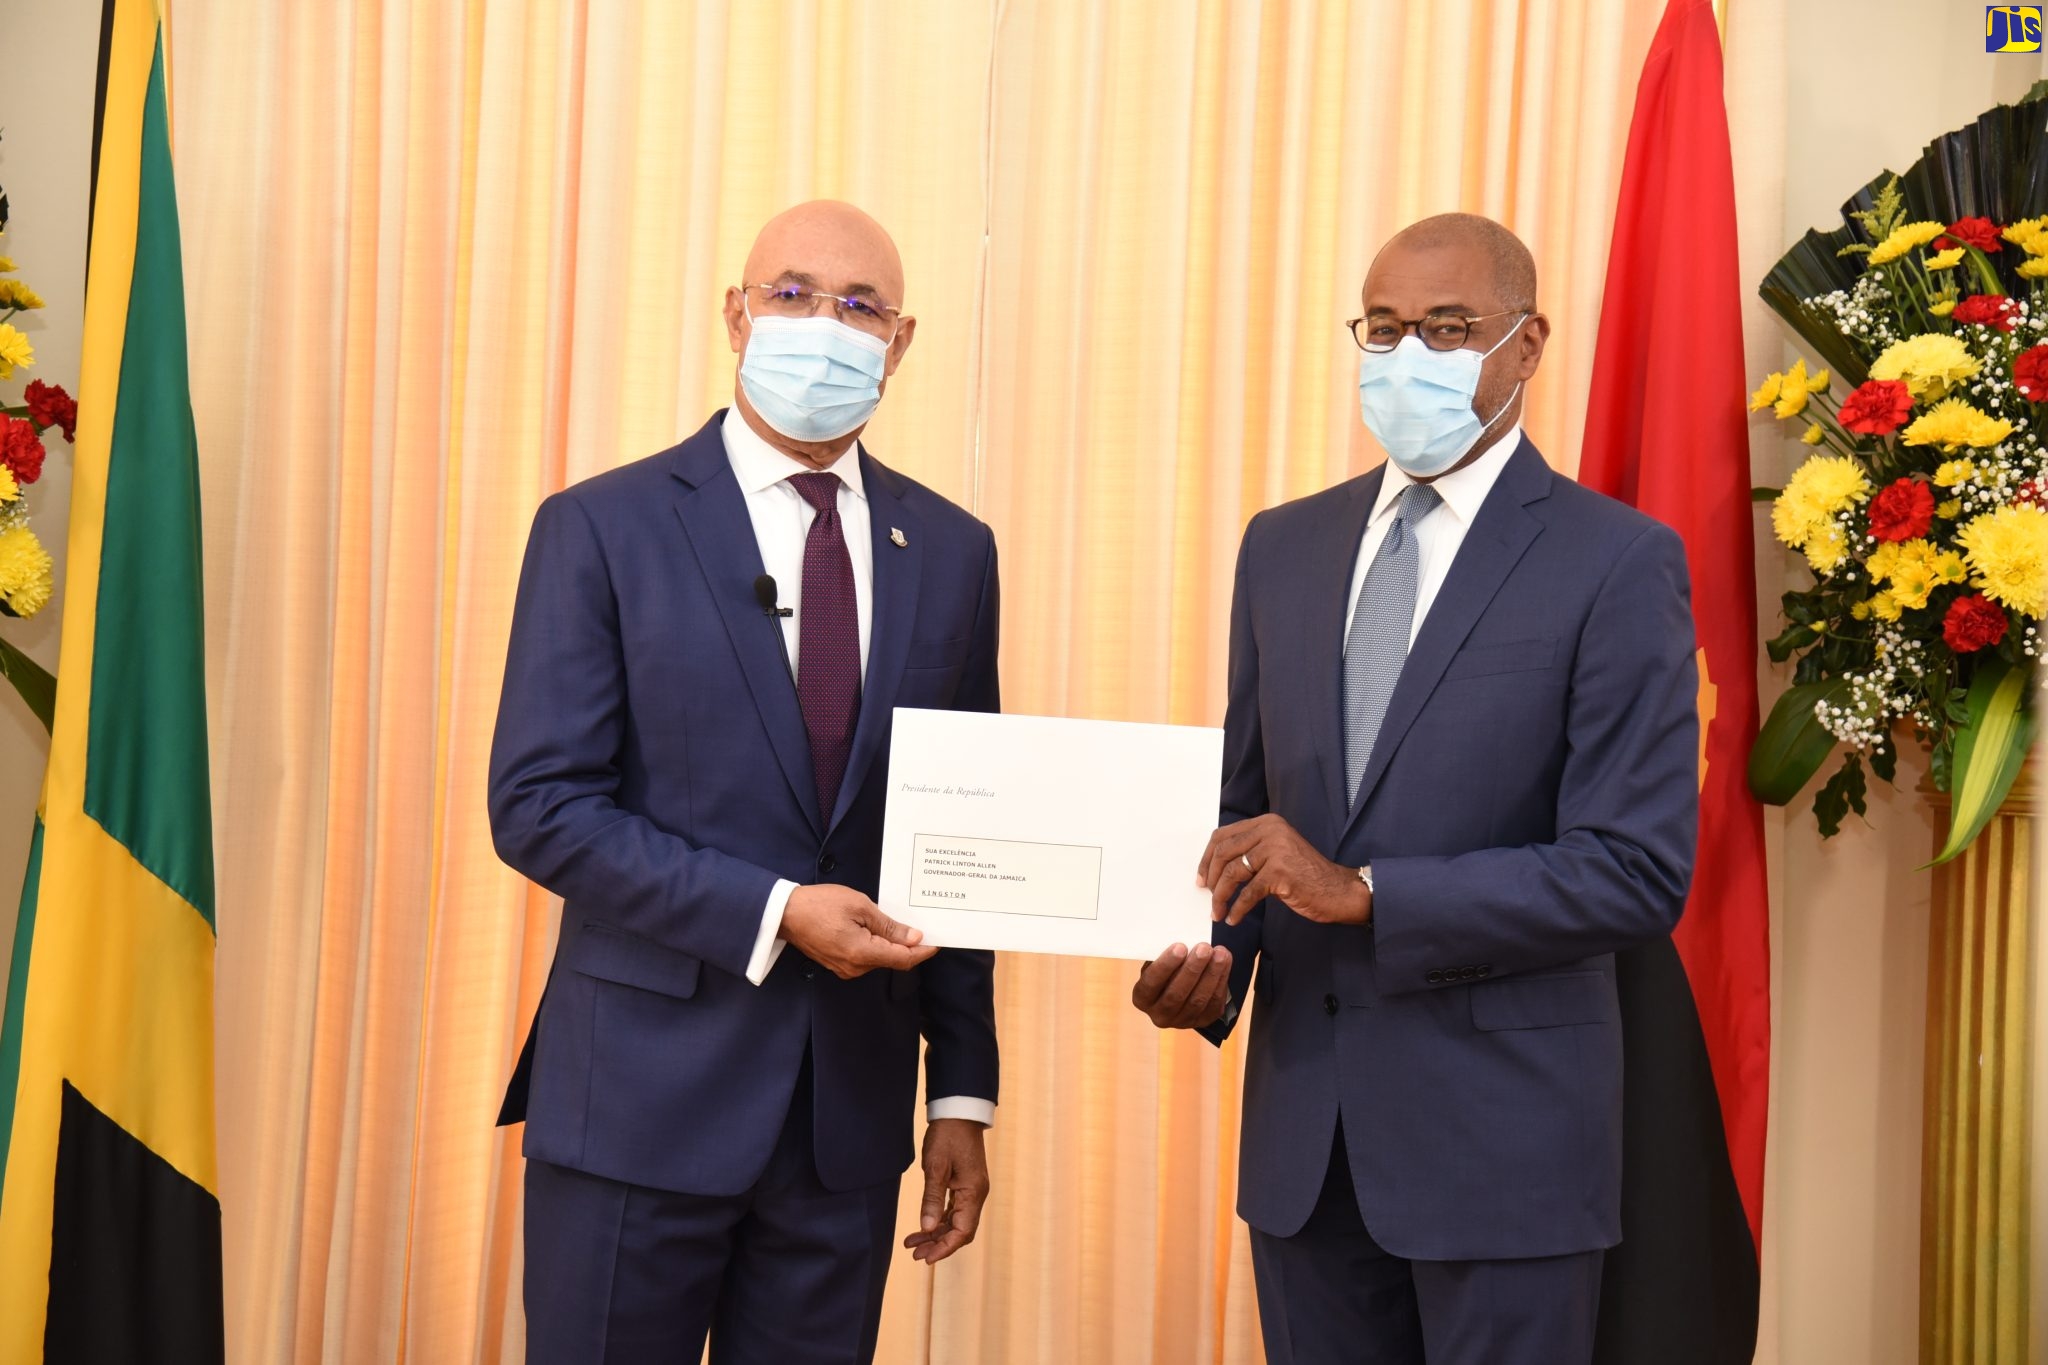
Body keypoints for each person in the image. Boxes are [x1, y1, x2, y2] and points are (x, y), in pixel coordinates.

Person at [1131, 213, 1699, 1364]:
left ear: (1527, 345)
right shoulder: (1280, 547)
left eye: (1447, 330)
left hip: (1507, 1157)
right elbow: (1249, 822)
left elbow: (1634, 873)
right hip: (1306, 1155)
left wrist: (1373, 894)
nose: (1406, 361)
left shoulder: (1614, 560)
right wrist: (1207, 970)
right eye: (1383, 330)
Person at [489, 201, 1001, 1364]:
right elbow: (539, 806)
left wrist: (959, 1093)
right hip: (634, 1108)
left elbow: (961, 834)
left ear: (900, 341)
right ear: (735, 312)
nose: (824, 325)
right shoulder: (600, 527)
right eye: (791, 293)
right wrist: (772, 912)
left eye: (858, 306)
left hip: (846, 1130)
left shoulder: (954, 551)